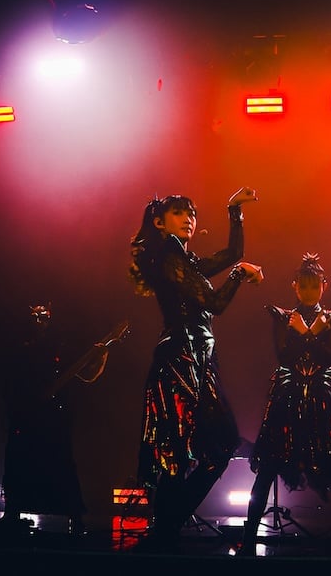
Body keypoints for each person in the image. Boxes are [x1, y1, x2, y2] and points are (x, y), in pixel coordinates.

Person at [128, 188, 264, 553]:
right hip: (179, 360)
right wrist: (237, 276)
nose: (189, 218)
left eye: (192, 213)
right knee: (184, 449)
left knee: (206, 447)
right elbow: (215, 304)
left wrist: (234, 210)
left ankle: (166, 530)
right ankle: (165, 531)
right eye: (179, 213)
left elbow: (233, 253)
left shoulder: (185, 262)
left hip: (197, 361)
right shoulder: (170, 260)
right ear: (160, 222)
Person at [237, 253, 331, 558]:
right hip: (286, 401)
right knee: (268, 469)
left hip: (322, 402)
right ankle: (248, 541)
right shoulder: (281, 315)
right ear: (295, 287)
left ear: (324, 286)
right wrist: (307, 333)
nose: (310, 291)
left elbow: (329, 357)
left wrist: (308, 333)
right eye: (304, 286)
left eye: (315, 286)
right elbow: (284, 358)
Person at [1, 303, 110, 536]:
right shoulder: (19, 348)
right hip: (26, 413)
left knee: (61, 462)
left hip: (52, 416)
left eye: (43, 316)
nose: (39, 321)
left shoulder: (58, 349)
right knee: (18, 462)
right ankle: (13, 512)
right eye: (35, 316)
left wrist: (101, 356)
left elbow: (87, 375)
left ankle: (76, 517)